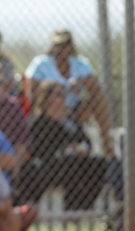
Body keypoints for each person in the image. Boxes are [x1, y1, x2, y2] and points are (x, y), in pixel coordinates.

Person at [15, 80, 110, 211]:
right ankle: (72, 208)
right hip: (52, 163)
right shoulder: (40, 121)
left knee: (100, 162)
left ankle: (86, 206)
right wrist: (65, 149)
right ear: (47, 98)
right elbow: (38, 149)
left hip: (77, 160)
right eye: (58, 95)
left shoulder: (70, 119)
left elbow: (86, 141)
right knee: (69, 158)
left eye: (64, 95)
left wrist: (82, 148)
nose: (63, 98)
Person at [24, 28, 113, 158]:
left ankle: (107, 142)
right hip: (49, 111)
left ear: (71, 46)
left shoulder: (80, 63)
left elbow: (96, 87)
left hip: (73, 110)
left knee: (98, 97)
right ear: (53, 46)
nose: (62, 49)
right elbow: (31, 91)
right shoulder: (42, 63)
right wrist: (56, 90)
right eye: (58, 45)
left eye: (65, 45)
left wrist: (81, 81)